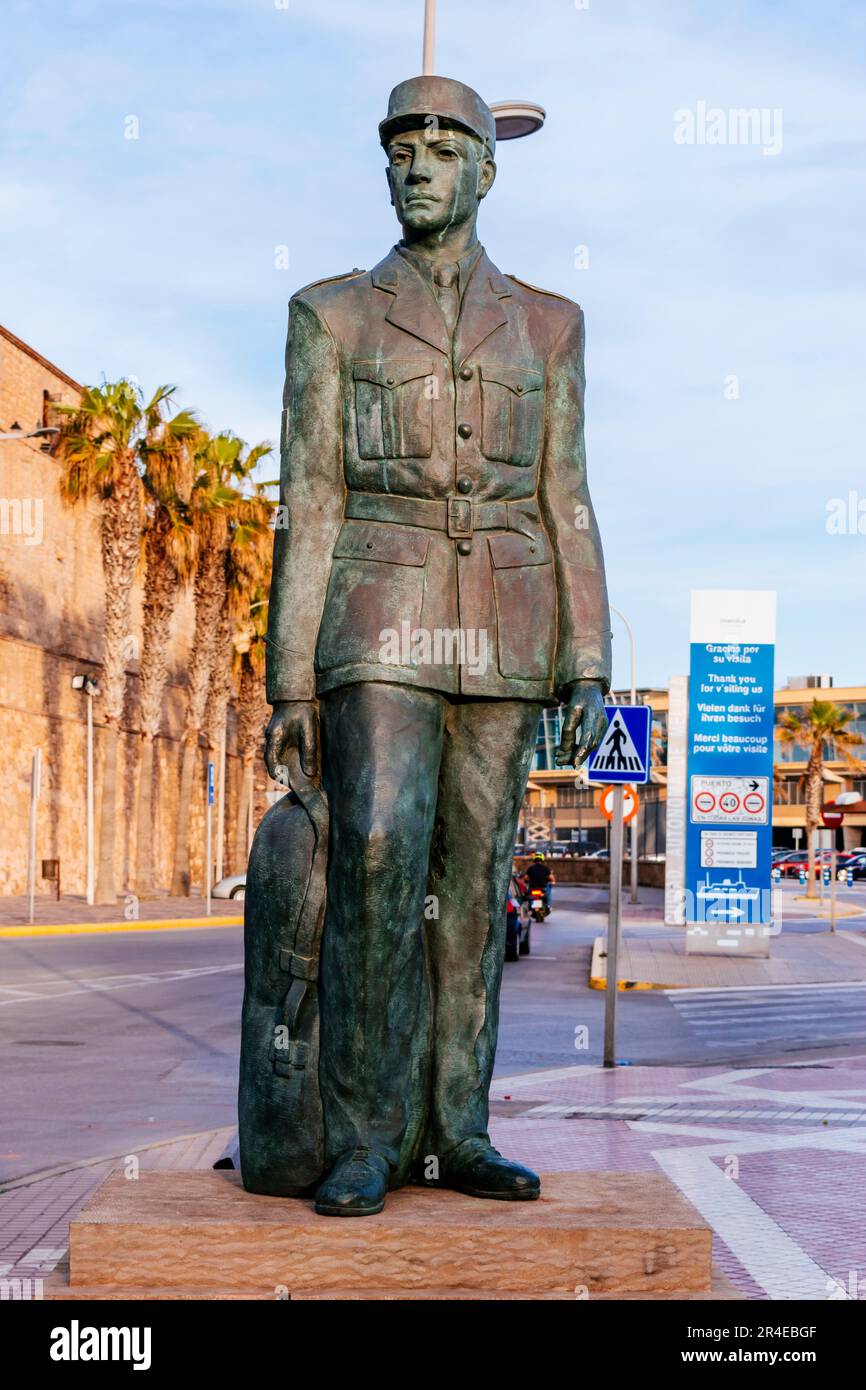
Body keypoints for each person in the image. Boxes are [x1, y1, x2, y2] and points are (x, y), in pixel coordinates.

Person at [262, 75, 611, 1217]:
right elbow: (309, 500)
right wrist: (291, 679)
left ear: (484, 169)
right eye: (400, 149)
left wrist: (589, 658)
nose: (417, 166)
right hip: (378, 616)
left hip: (506, 625)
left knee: (469, 888)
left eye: (442, 147)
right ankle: (365, 1136)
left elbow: (566, 496)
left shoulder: (549, 323)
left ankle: (456, 1129)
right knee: (371, 857)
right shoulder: (334, 314)